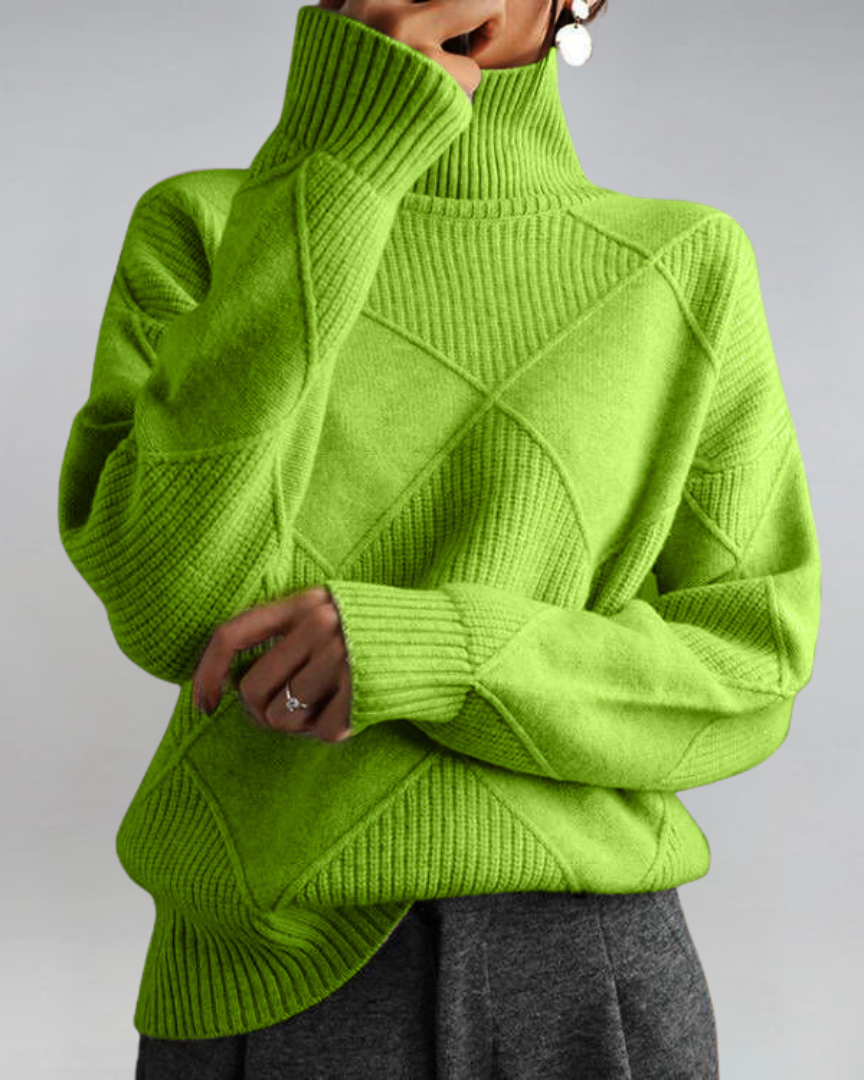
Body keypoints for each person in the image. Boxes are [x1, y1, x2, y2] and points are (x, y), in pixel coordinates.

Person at [56, 0, 821, 1076]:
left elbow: (751, 666)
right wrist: (341, 155)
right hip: (265, 973)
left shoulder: (686, 265)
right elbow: (170, 603)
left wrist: (441, 650)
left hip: (583, 967)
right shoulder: (208, 227)